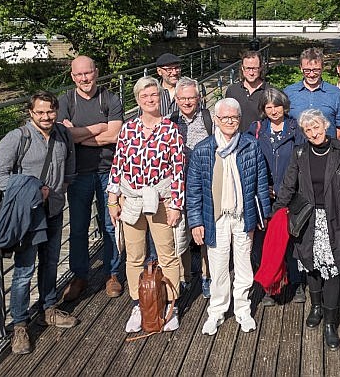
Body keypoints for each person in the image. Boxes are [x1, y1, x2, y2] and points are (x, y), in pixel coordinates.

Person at [0, 91, 77, 355]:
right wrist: (33, 190)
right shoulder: (17, 138)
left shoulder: (63, 135)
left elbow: (69, 168)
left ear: (56, 110)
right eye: (40, 112)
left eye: (50, 111)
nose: (46, 116)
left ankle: (48, 308)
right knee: (24, 270)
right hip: (28, 215)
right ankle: (20, 324)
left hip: (54, 210)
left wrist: (61, 189)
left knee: (51, 262)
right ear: (30, 112)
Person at [275, 109, 340, 350]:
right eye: (308, 130)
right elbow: (288, 186)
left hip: (333, 219)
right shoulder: (299, 153)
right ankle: (316, 307)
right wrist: (276, 212)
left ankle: (330, 322)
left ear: (325, 125)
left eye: (316, 127)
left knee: (333, 270)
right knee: (311, 265)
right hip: (307, 220)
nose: (314, 133)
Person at [186, 98, 272, 336]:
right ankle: (217, 310)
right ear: (216, 119)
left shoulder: (250, 145)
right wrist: (196, 222)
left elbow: (261, 183)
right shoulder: (203, 149)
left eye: (234, 117)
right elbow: (193, 190)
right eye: (225, 118)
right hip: (216, 218)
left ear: (240, 119)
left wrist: (262, 215)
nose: (230, 122)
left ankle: (243, 309)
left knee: (244, 265)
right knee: (218, 267)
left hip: (243, 215)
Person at [106, 76, 185, 334]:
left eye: (154, 95)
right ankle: (139, 305)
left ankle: (171, 305)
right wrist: (112, 199)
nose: (150, 100)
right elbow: (117, 165)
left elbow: (178, 170)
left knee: (167, 254)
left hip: (161, 200)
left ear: (160, 98)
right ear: (138, 100)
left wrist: (176, 205)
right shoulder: (128, 128)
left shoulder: (171, 129)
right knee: (134, 256)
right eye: (144, 96)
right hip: (131, 200)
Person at [58, 55, 124, 302]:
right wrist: (99, 128)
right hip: (78, 173)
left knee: (111, 224)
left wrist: (77, 135)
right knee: (78, 227)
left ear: (96, 72)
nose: (84, 78)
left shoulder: (110, 99)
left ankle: (112, 273)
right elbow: (64, 136)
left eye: (88, 73)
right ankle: (80, 275)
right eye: (79, 74)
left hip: (109, 171)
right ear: (72, 76)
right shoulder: (66, 101)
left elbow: (115, 135)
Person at [247, 87, 306, 305]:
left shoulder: (296, 128)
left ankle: (296, 283)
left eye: (277, 106)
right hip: (265, 196)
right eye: (269, 107)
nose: (273, 111)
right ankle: (270, 287)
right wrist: (264, 187)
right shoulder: (256, 129)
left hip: (291, 195)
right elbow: (250, 163)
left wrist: (288, 189)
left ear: (284, 106)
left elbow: (302, 163)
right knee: (267, 244)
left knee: (292, 242)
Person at [169, 77, 213, 298]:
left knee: (205, 229)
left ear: (199, 98)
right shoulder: (170, 121)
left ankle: (207, 275)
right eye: (182, 98)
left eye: (191, 98)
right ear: (176, 99)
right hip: (178, 183)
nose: (187, 102)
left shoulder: (209, 118)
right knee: (180, 231)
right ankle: (183, 275)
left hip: (204, 182)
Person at [284, 47, 340, 140]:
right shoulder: (289, 93)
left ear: (322, 68)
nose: (311, 74)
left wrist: (329, 145)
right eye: (307, 70)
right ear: (301, 68)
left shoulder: (335, 93)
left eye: (316, 70)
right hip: (296, 147)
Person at [226, 50, 268, 132]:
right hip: (237, 138)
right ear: (242, 68)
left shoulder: (269, 91)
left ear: (260, 68)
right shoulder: (232, 91)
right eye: (248, 68)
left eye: (254, 68)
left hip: (261, 138)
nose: (251, 73)